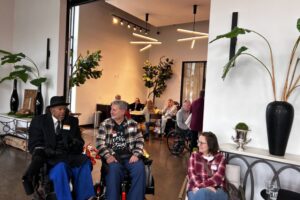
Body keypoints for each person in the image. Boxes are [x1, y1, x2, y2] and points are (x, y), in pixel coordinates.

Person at [26, 96, 95, 200]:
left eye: (64, 108)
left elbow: (80, 143)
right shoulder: (39, 121)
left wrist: (74, 143)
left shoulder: (72, 121)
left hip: (70, 156)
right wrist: (46, 150)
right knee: (61, 167)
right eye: (60, 109)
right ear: (51, 110)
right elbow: (33, 145)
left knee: (85, 162)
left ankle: (85, 197)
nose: (63, 112)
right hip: (51, 159)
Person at [96, 100, 146, 200]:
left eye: (114, 110)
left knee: (140, 168)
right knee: (113, 170)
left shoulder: (133, 124)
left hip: (130, 156)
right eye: (111, 109)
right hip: (113, 156)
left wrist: (136, 154)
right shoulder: (105, 124)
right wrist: (107, 155)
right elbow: (99, 143)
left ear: (123, 111)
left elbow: (140, 140)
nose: (111, 111)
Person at [187, 132, 228, 200]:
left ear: (210, 145)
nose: (198, 144)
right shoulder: (194, 156)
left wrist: (202, 187)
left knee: (202, 193)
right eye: (198, 141)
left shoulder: (220, 158)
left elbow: (218, 178)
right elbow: (192, 176)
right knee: (202, 194)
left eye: (202, 143)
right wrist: (204, 188)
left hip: (216, 190)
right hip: (195, 189)